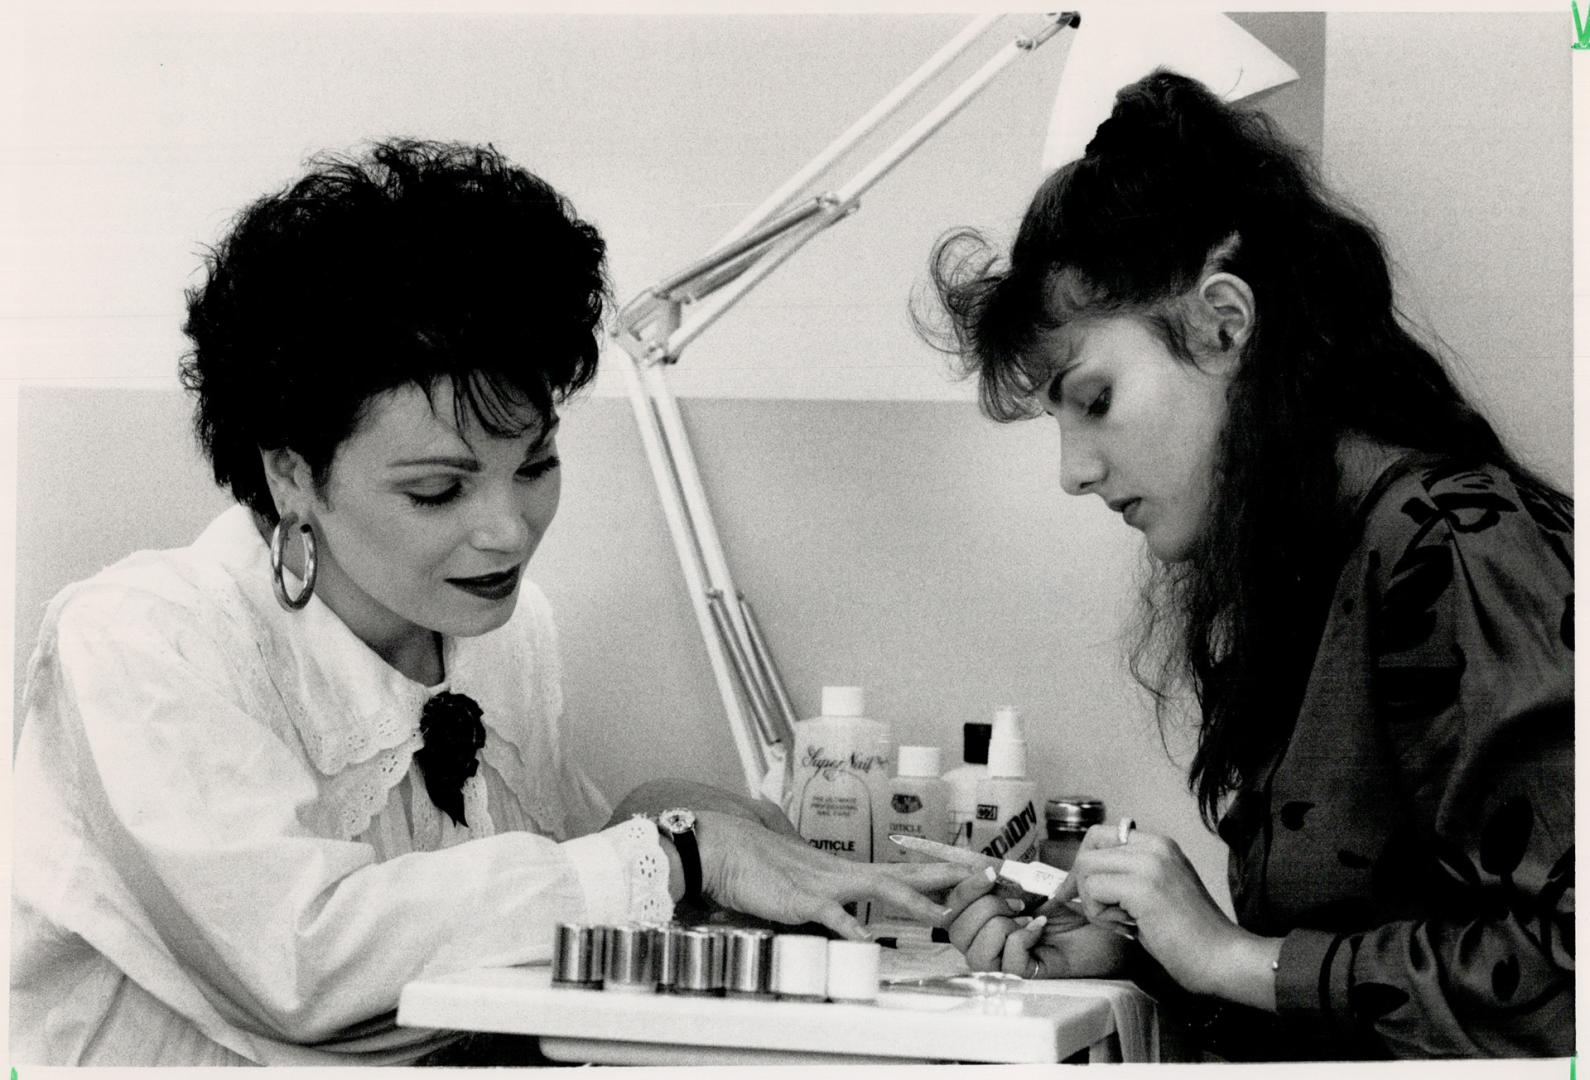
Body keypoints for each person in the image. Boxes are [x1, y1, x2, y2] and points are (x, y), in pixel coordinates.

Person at [10, 139, 961, 1067]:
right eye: (438, 491)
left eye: (537, 466)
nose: (509, 529)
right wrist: (671, 856)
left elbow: (536, 901)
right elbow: (304, 964)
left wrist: (678, 822)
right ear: (292, 472)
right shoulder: (144, 642)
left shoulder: (509, 636)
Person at [920, 72, 1573, 1060]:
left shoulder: (1454, 546)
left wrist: (1228, 956)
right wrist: (1145, 954)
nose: (1074, 470)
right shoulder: (1317, 572)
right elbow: (1351, 1008)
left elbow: (1568, 973)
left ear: (1227, 325)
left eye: (1092, 398)